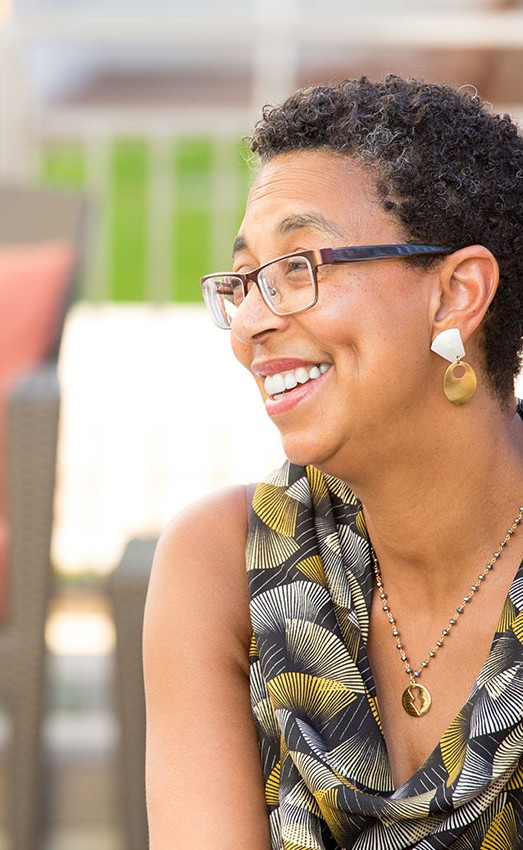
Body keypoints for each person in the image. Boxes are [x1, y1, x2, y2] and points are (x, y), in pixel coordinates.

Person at [143, 75, 523, 849]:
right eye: (246, 278)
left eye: (297, 267)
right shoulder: (222, 566)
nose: (249, 324)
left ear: (456, 294)